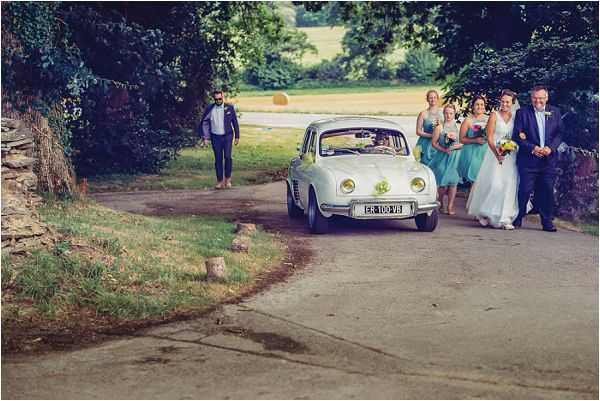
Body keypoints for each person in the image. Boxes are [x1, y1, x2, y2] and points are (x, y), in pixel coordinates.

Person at [511, 85, 563, 232]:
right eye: (535, 98)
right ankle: (518, 217)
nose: (538, 101)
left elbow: (559, 133)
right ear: (531, 98)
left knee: (547, 190)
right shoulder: (522, 113)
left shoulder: (555, 112)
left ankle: (547, 222)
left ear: (546, 98)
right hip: (528, 159)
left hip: (548, 160)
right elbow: (517, 135)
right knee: (525, 190)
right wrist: (533, 148)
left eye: (541, 98)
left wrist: (550, 148)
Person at [467, 90, 519, 229]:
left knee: (509, 185)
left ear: (512, 103)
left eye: (507, 102)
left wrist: (510, 147)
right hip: (494, 154)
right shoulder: (494, 115)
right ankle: (486, 213)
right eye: (502, 101)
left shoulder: (515, 116)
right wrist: (497, 153)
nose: (504, 104)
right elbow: (489, 137)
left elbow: (517, 135)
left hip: (510, 155)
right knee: (494, 184)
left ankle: (505, 218)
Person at [199, 90, 240, 189]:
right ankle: (220, 181)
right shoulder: (210, 108)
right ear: (214, 99)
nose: (218, 101)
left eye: (220, 99)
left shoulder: (229, 107)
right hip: (215, 137)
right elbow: (204, 122)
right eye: (216, 99)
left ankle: (228, 179)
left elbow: (235, 122)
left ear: (223, 97)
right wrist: (205, 137)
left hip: (227, 136)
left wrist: (237, 136)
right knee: (218, 159)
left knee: (227, 157)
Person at [429, 104, 463, 215]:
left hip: (455, 157)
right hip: (442, 156)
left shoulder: (459, 126)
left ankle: (450, 206)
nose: (448, 115)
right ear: (443, 114)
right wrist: (444, 149)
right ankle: (441, 202)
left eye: (451, 113)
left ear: (454, 114)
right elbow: (434, 143)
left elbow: (463, 142)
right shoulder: (439, 126)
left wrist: (453, 147)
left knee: (453, 182)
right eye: (446, 113)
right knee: (442, 182)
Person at [457, 95, 489, 184]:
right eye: (477, 104)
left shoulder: (489, 119)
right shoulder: (467, 120)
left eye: (482, 104)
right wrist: (475, 140)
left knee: (485, 180)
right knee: (475, 180)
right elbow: (461, 139)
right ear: (473, 106)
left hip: (485, 152)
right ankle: (473, 197)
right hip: (471, 154)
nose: (480, 107)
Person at [415, 90, 444, 166]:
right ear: (427, 99)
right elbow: (418, 131)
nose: (433, 99)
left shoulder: (443, 112)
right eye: (430, 98)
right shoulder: (423, 114)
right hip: (425, 144)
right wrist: (432, 135)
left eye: (434, 97)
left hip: (439, 143)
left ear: (437, 99)